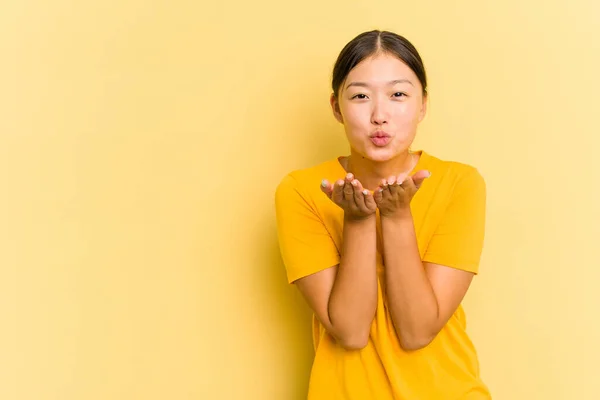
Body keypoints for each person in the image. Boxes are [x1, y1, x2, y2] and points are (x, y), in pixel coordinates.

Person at [274, 30, 490, 400]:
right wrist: (358, 221)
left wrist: (396, 217)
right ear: (336, 107)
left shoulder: (459, 183)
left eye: (398, 95)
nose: (379, 115)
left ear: (422, 104)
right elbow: (352, 331)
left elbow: (417, 331)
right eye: (360, 96)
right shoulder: (302, 190)